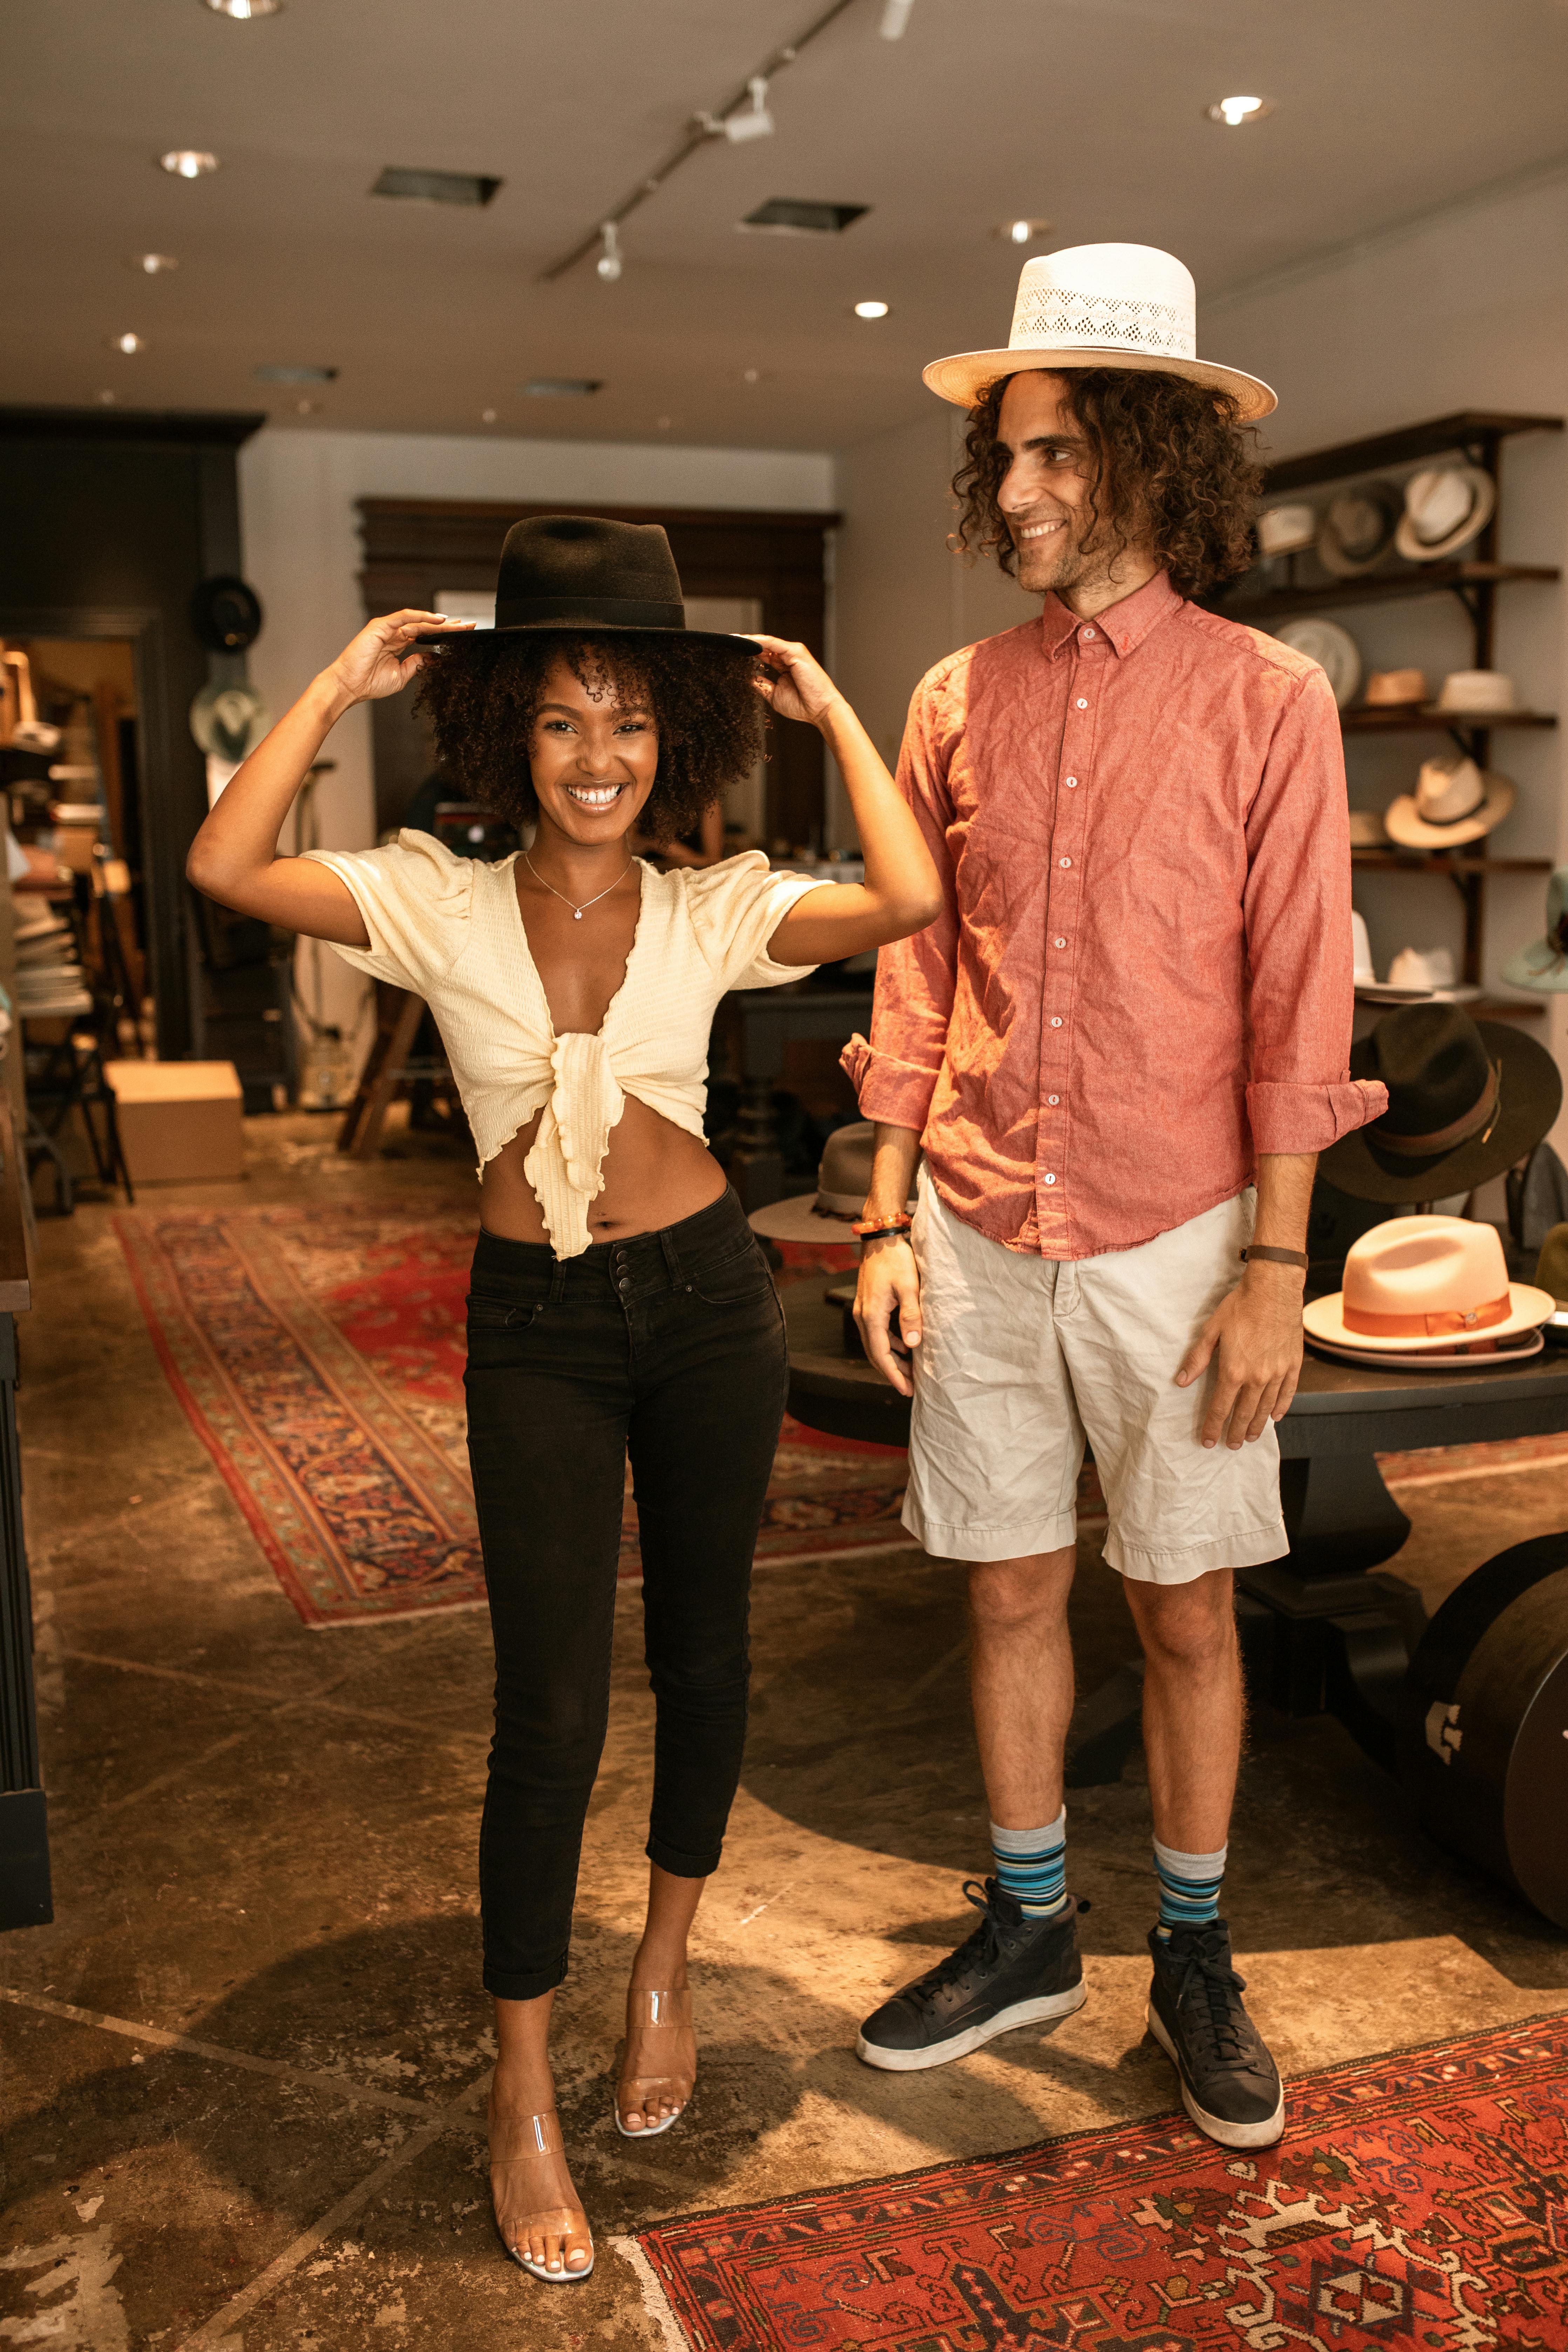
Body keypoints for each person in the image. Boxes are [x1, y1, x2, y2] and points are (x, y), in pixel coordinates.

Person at [186, 515, 941, 2284]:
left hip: (707, 1308)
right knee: (547, 1712)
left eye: (630, 722)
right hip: (535, 1317)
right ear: (506, 732)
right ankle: (522, 2083)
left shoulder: (717, 902)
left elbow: (908, 899)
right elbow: (227, 863)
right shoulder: (430, 895)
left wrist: (832, 705)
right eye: (559, 721)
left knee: (706, 1661)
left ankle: (662, 1967)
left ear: (675, 729)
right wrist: (335, 681)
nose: (600, 760)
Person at [844, 245, 1387, 2150]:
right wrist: (882, 1219)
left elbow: (1293, 999)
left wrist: (1269, 1263)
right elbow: (920, 980)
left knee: (1177, 1612)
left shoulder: (1265, 705)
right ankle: (1024, 1925)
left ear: (1152, 459)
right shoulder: (947, 695)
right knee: (1002, 1588)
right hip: (979, 1224)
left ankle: (1187, 1949)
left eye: (1056, 453)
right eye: (1004, 458)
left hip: (1178, 1231)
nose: (1015, 493)